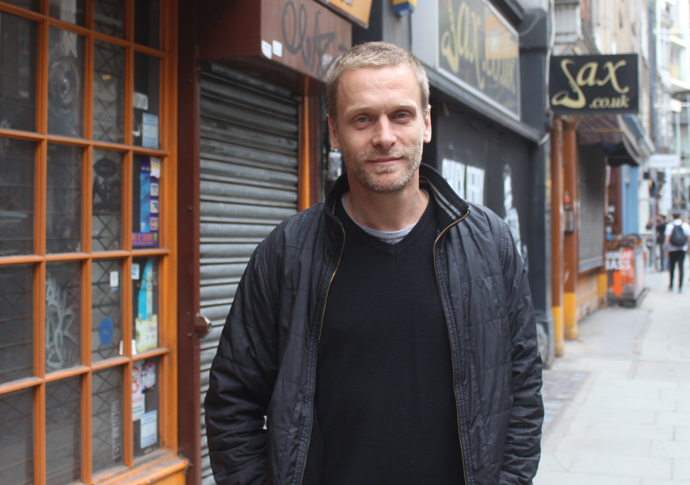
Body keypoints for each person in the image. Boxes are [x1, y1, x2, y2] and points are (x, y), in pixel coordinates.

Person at [204, 42, 543, 485]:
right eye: (362, 119)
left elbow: (522, 388)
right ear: (334, 130)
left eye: (400, 115)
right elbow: (232, 401)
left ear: (426, 123)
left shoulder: (490, 244)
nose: (384, 136)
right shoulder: (287, 253)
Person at [665, 212, 690, 292]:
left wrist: (666, 249)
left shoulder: (670, 226)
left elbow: (667, 238)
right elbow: (689, 238)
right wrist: (688, 248)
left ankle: (671, 285)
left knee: (672, 267)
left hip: (672, 249)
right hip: (682, 249)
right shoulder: (685, 225)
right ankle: (680, 286)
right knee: (681, 267)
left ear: (673, 217)